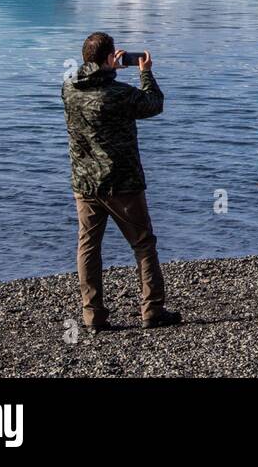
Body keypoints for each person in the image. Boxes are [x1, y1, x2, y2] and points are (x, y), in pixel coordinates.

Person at [62, 32, 182, 332]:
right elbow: (154, 104)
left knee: (88, 247)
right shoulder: (118, 94)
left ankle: (93, 317)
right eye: (113, 55)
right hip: (122, 183)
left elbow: (86, 79)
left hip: (85, 183)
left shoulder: (68, 89)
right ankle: (152, 309)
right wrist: (145, 73)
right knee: (143, 244)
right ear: (107, 58)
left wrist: (106, 69)